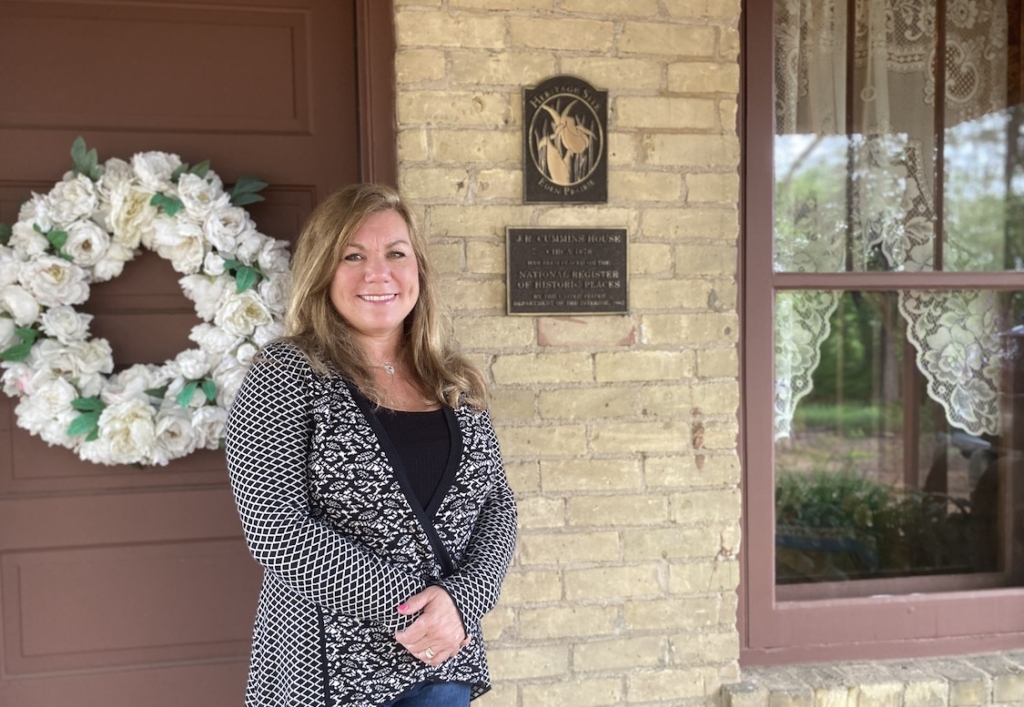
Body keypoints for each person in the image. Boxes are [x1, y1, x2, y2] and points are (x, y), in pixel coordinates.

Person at [225, 183, 518, 707]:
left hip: (441, 663)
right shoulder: (286, 374)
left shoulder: (454, 381)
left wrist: (463, 600)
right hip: (324, 671)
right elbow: (274, 529)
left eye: (395, 254)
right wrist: (414, 606)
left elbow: (497, 507)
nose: (377, 273)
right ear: (322, 272)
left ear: (418, 270)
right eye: (352, 255)